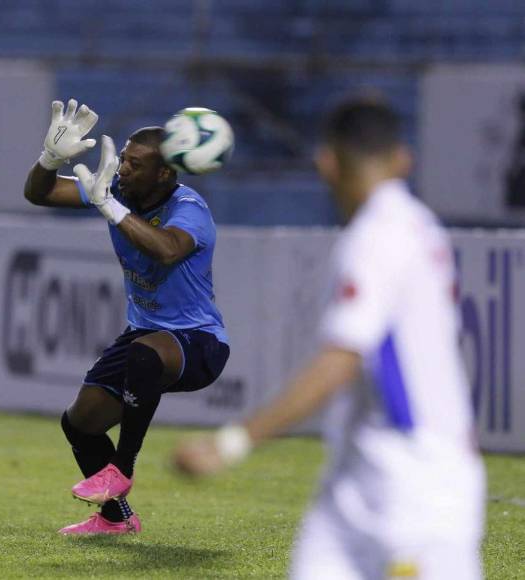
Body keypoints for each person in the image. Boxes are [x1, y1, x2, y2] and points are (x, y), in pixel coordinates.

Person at [174, 97, 486, 579]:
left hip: (415, 487)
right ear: (403, 159)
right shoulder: (421, 227)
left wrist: (234, 442)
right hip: (357, 480)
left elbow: (341, 360)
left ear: (327, 163)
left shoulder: (377, 237)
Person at [23, 99, 230, 535]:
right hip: (145, 333)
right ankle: (115, 519)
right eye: (123, 160)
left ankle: (122, 467)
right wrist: (50, 159)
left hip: (198, 343)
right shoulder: (115, 190)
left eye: (135, 164)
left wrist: (111, 209)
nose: (122, 170)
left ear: (165, 174)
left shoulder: (189, 208)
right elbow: (38, 193)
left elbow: (168, 249)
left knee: (143, 356)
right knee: (80, 423)